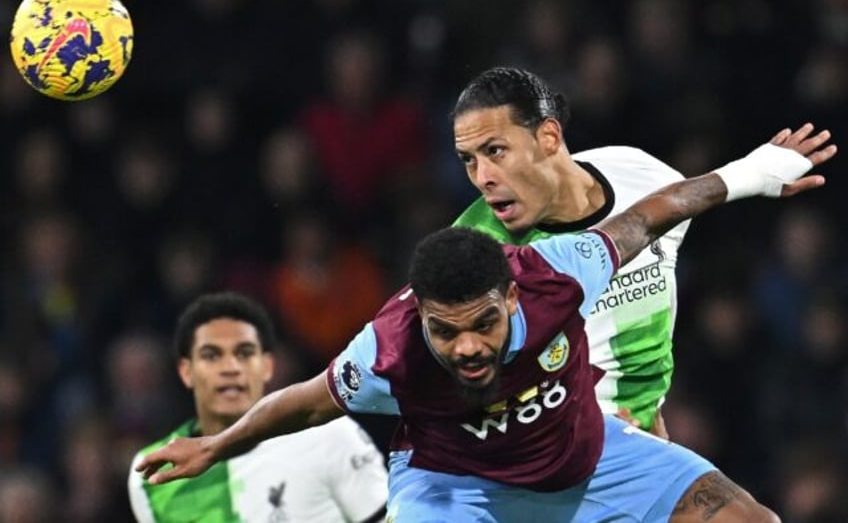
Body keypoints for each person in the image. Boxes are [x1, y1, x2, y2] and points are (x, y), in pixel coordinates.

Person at [136, 126, 836, 521]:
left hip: (584, 459)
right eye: (446, 332)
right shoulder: (389, 350)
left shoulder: (557, 273)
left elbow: (657, 209)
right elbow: (308, 399)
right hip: (454, 486)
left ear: (512, 296)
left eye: (482, 324)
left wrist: (754, 170)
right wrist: (217, 446)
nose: (466, 347)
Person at [450, 66, 689, 435]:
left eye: (495, 151)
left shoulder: (646, 178)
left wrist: (651, 426)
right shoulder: (473, 252)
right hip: (545, 457)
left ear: (548, 137)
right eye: (468, 159)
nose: (482, 177)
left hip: (644, 445)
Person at [127, 291, 388, 523]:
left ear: (267, 367)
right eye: (211, 355)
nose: (230, 368)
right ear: (186, 372)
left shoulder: (329, 434)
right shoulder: (152, 472)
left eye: (244, 353)